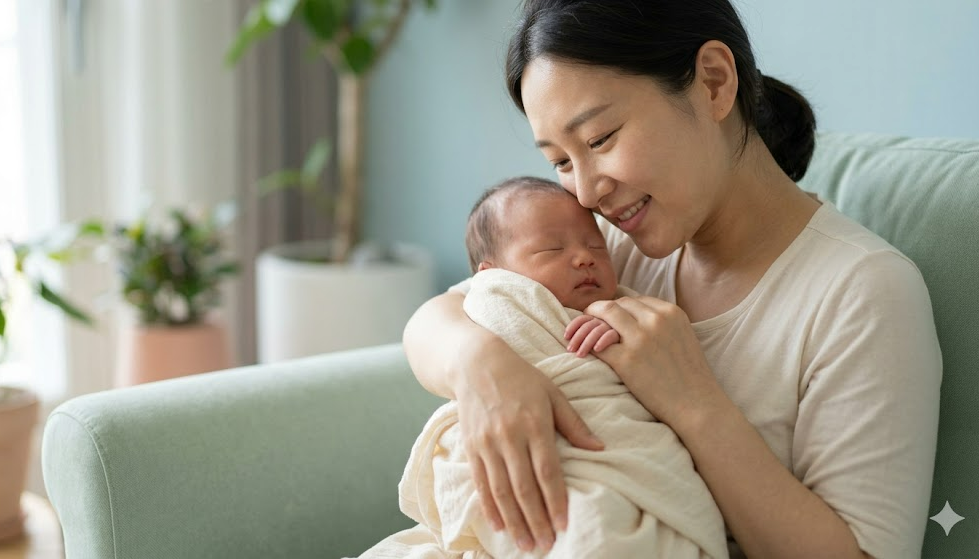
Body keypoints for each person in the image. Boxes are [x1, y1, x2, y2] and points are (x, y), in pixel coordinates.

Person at [402, 1, 942, 558]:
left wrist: (693, 403)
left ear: (713, 82)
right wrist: (481, 366)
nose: (586, 194)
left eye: (600, 138)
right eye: (561, 161)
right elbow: (440, 317)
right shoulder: (606, 248)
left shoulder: (863, 293)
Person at [357, 176, 729, 558]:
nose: (584, 257)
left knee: (603, 529)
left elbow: (647, 356)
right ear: (492, 275)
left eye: (595, 246)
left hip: (616, 457)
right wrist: (481, 354)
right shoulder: (497, 301)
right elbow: (435, 322)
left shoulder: (622, 303)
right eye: (552, 249)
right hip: (517, 453)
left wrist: (614, 329)